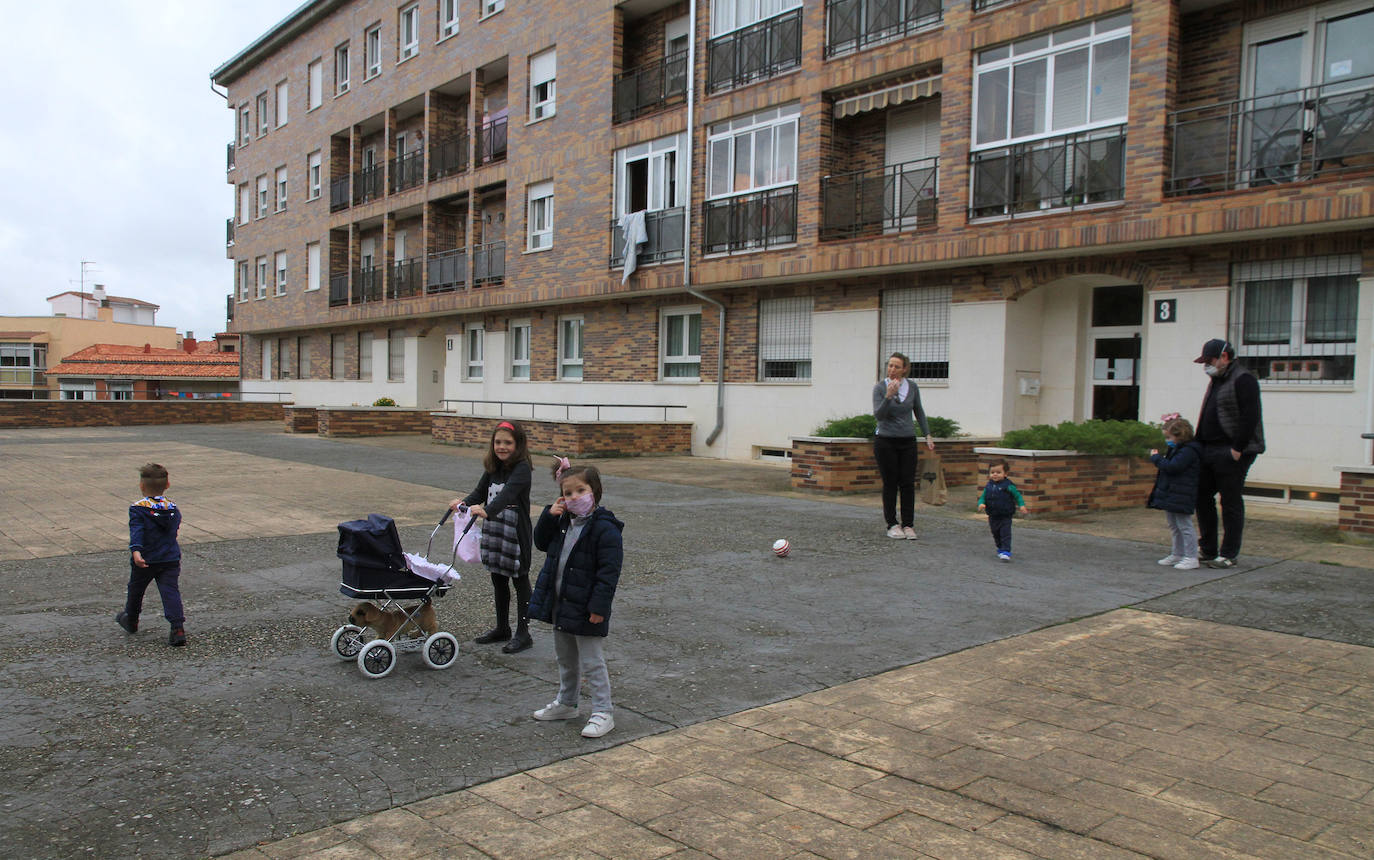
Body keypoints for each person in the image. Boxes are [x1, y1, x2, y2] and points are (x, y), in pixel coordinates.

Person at [527, 459, 624, 739]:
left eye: (580, 491)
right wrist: (549, 515)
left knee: (592, 661)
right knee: (566, 658)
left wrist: (598, 607)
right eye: (568, 493)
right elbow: (541, 543)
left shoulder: (605, 528)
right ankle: (567, 702)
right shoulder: (562, 522)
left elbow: (609, 573)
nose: (574, 498)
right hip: (561, 602)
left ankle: (603, 712)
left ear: (594, 491)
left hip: (586, 606)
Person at [451, 420, 535, 653]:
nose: (502, 447)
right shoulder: (493, 468)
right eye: (498, 442)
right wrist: (463, 503)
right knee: (498, 577)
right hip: (495, 529)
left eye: (507, 442)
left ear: (518, 445)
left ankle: (523, 633)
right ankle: (502, 628)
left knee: (520, 579)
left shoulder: (522, 469)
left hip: (515, 532)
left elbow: (507, 495)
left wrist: (487, 510)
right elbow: (480, 492)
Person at [1193, 338, 1264, 569]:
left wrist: (1237, 449)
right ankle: (1208, 548)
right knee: (1202, 496)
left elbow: (1250, 416)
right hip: (1209, 448)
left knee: (1230, 500)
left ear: (1224, 357)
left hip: (1231, 450)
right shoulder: (1216, 379)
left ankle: (1229, 553)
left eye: (1210, 360)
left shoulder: (1244, 379)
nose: (1207, 366)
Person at [116, 463, 187, 646]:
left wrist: (136, 551)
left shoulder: (138, 508)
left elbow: (137, 530)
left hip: (146, 559)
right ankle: (177, 628)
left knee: (136, 589)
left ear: (141, 486)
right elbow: (174, 530)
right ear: (167, 484)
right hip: (170, 557)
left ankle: (131, 620)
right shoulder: (172, 508)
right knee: (170, 592)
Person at [872, 352, 935, 540]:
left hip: (908, 441)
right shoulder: (879, 388)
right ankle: (892, 524)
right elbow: (879, 415)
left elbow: (919, 411)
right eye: (890, 366)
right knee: (890, 483)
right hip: (885, 441)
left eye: (896, 367)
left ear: (904, 369)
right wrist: (889, 396)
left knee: (907, 483)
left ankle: (908, 524)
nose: (892, 370)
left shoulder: (912, 387)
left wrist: (927, 434)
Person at [1148, 415, 1203, 570]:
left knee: (1184, 525)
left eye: (1169, 437)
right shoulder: (1178, 449)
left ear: (1180, 435)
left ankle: (1191, 556)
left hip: (1182, 492)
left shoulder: (1188, 451)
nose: (1167, 440)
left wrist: (1156, 459)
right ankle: (1177, 553)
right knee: (1174, 525)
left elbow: (1173, 467)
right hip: (1174, 492)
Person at [977, 459, 1027, 562]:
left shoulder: (1008, 486)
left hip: (1005, 514)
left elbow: (1017, 496)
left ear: (1005, 474)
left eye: (998, 472)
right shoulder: (989, 486)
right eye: (992, 472)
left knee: (1005, 533)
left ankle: (1006, 551)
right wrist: (981, 504)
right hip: (993, 514)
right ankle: (1000, 547)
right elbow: (983, 497)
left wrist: (1022, 505)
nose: (995, 475)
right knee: (995, 532)